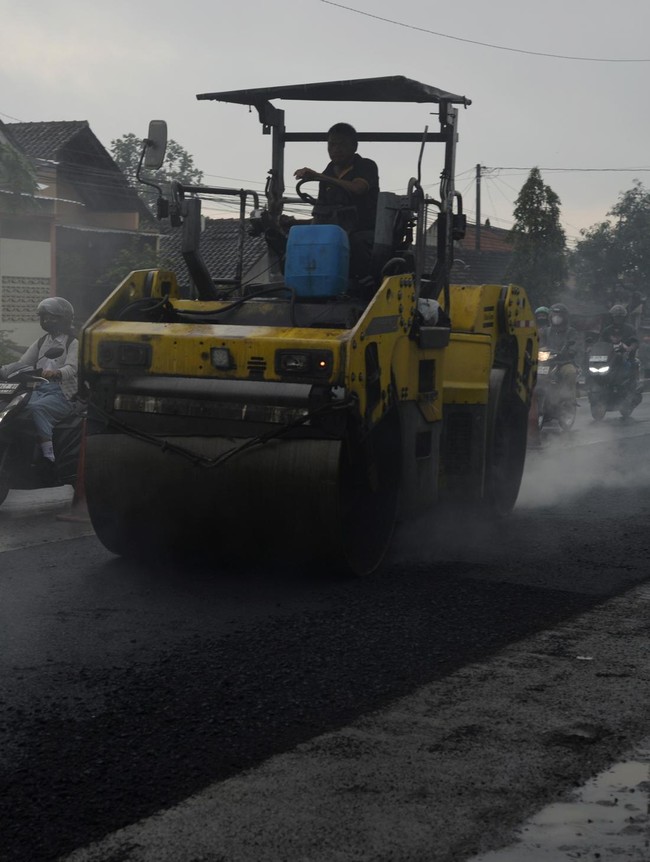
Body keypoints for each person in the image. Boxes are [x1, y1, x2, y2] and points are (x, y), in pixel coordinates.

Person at [283, 122, 380, 296]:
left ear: (354, 146)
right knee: (291, 233)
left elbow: (358, 188)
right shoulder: (328, 173)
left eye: (342, 144)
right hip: (334, 228)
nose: (336, 149)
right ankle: (304, 283)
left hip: (363, 229)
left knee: (353, 240)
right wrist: (296, 224)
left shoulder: (366, 166)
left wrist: (321, 177)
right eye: (332, 145)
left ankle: (365, 281)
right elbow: (321, 213)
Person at [0, 297, 78, 464]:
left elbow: (72, 368)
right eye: (44, 317)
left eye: (52, 317)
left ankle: (48, 454)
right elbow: (23, 363)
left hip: (62, 394)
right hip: (38, 389)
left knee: (37, 408)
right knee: (14, 408)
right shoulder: (42, 341)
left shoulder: (72, 342)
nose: (47, 320)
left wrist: (56, 372)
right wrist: (5, 370)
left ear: (63, 319)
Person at [600, 303, 641, 389]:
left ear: (624, 317)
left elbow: (635, 342)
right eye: (615, 317)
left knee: (632, 364)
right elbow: (600, 343)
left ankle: (634, 385)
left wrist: (629, 349)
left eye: (620, 317)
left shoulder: (630, 329)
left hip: (626, 357)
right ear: (612, 317)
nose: (617, 319)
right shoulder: (607, 330)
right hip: (608, 358)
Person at [544, 303, 578, 400]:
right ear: (550, 317)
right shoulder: (544, 331)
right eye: (554, 315)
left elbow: (575, 345)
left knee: (570, 372)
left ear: (565, 317)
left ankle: (569, 400)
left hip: (563, 362)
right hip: (545, 364)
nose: (556, 318)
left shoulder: (571, 331)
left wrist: (571, 351)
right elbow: (538, 344)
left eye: (559, 316)